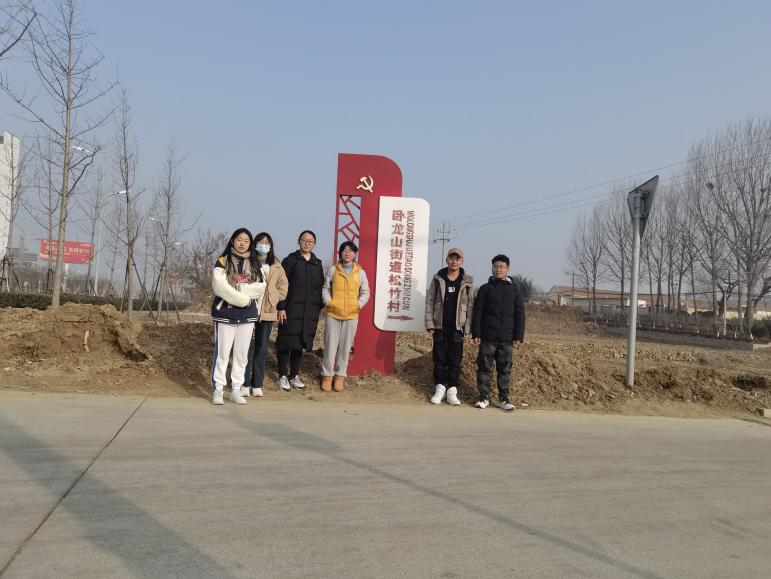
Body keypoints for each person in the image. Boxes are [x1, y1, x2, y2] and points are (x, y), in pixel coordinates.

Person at [210, 228, 266, 405]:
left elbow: (260, 287)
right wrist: (243, 299)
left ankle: (236, 389)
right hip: (225, 312)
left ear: (250, 244)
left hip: (247, 315)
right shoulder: (223, 260)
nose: (242, 243)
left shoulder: (255, 263)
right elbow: (219, 286)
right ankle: (219, 389)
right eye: (239, 240)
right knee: (222, 353)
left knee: (241, 355)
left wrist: (238, 288)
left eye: (246, 241)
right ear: (233, 241)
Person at [471, 254, 525, 412]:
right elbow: (478, 312)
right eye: (495, 267)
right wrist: (476, 333)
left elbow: (520, 314)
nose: (498, 270)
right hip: (488, 337)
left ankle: (504, 399)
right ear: (492, 268)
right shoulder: (485, 289)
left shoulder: (514, 290)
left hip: (507, 339)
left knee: (505, 370)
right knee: (484, 369)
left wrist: (518, 336)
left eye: (501, 267)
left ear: (507, 269)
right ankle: (483, 397)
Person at [275, 230, 324, 391]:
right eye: (304, 240)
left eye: (310, 241)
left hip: (309, 312)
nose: (307, 243)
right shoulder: (290, 260)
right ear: (299, 241)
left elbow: (320, 288)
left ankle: (294, 376)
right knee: (285, 342)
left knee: (299, 344)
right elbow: (280, 285)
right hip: (290, 310)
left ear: (314, 244)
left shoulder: (317, 264)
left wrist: (318, 307)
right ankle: (282, 376)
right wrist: (281, 306)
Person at [424, 248, 475, 406]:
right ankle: (440, 388)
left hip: (457, 327)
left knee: (455, 360)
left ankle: (452, 390)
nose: (454, 261)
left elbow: (471, 305)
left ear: (462, 261)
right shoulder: (438, 278)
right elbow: (430, 301)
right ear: (446, 260)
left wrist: (468, 328)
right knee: (439, 359)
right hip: (440, 325)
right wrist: (430, 323)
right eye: (451, 258)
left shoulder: (467, 281)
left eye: (457, 259)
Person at [320, 241, 371, 392]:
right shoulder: (333, 269)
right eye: (344, 250)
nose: (347, 253)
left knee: (345, 347)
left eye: (350, 250)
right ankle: (327, 375)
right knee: (330, 346)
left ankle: (340, 376)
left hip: (351, 315)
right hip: (333, 314)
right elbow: (325, 288)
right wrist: (329, 302)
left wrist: (358, 305)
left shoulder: (360, 272)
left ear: (355, 254)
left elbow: (366, 292)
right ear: (340, 253)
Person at [244, 232, 288, 398]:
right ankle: (244, 383)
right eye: (261, 241)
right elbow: (239, 279)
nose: (263, 244)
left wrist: (274, 297)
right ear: (255, 243)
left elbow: (284, 286)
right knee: (245, 349)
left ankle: (257, 384)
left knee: (261, 349)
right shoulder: (247, 261)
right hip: (248, 310)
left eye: (267, 242)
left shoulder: (276, 265)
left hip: (268, 312)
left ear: (271, 245)